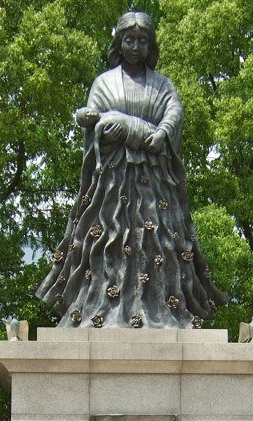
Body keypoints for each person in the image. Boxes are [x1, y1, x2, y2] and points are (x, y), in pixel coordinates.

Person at [35, 11, 227, 329]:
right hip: (112, 181)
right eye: (129, 40)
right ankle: (100, 309)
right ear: (119, 42)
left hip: (154, 180)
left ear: (150, 45)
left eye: (142, 41)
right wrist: (96, 122)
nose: (135, 46)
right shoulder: (104, 83)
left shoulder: (163, 85)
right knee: (107, 241)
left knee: (158, 242)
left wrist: (160, 133)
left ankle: (161, 309)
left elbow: (173, 114)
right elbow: (96, 122)